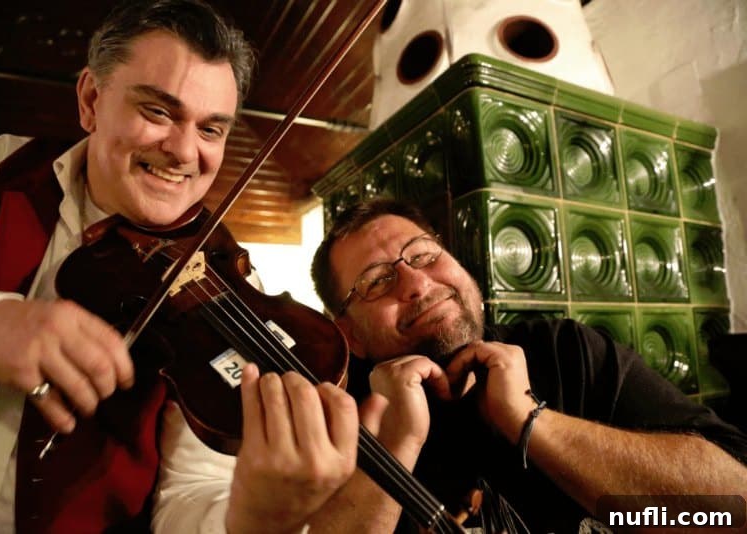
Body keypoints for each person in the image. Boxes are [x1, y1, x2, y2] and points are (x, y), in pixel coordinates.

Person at [0, 1, 360, 532]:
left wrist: (253, 516)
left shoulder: (229, 289)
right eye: (158, 112)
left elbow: (191, 492)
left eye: (212, 129)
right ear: (92, 100)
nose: (184, 152)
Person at [308, 198, 747, 533]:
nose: (417, 283)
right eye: (377, 280)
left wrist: (529, 420)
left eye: (422, 254)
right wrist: (397, 444)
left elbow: (732, 511)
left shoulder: (563, 350)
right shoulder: (345, 424)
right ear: (350, 335)